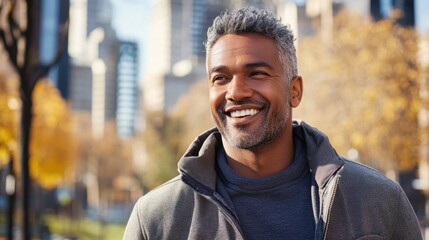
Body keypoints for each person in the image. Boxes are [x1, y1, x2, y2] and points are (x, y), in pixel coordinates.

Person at [123, 6, 422, 240]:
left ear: (295, 91)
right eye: (221, 78)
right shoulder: (155, 219)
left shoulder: (379, 202)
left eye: (257, 74)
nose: (236, 92)